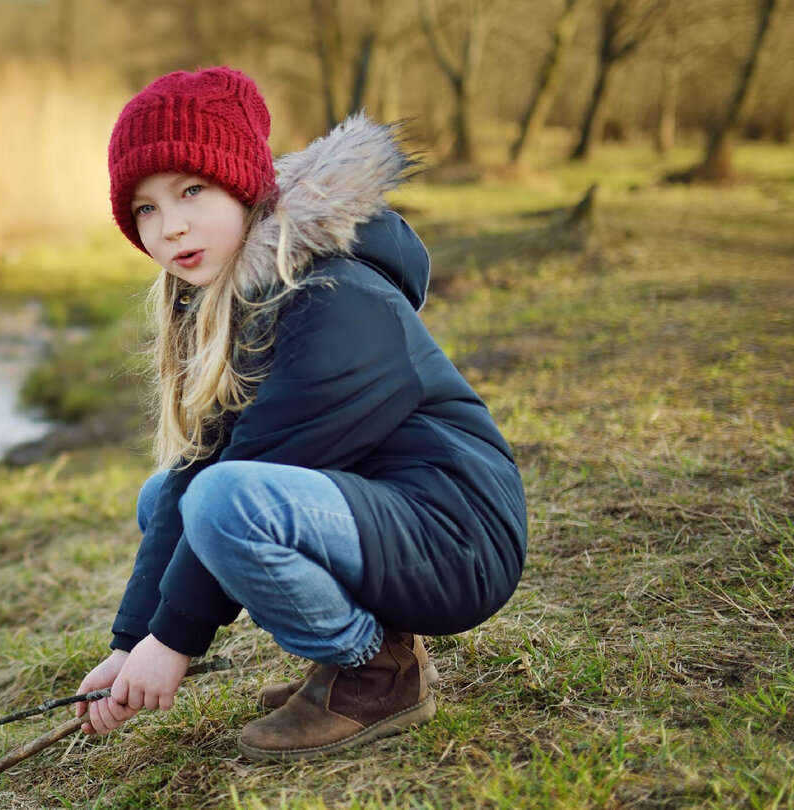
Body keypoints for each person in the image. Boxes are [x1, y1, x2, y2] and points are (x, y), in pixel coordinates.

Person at [74, 66, 528, 763]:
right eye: (146, 209)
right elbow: (203, 466)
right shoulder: (234, 299)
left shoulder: (331, 298)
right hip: (386, 520)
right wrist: (131, 642)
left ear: (241, 181)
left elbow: (252, 475)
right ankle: (371, 647)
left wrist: (173, 646)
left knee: (225, 501)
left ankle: (375, 672)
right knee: (172, 492)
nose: (172, 226)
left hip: (455, 536)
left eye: (191, 190)